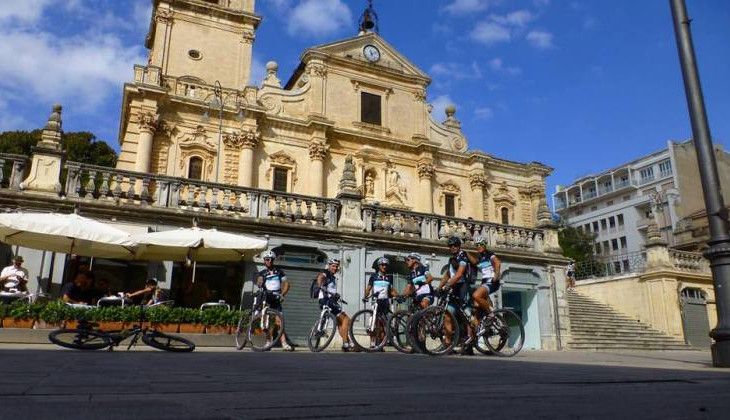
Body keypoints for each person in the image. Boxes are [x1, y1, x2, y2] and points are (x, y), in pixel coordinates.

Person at [438, 236, 474, 354]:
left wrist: (447, 285)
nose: (452, 248)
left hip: (463, 287)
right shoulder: (452, 259)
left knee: (467, 315)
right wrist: (439, 287)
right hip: (454, 288)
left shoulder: (462, 256)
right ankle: (448, 344)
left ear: (459, 246)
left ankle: (469, 343)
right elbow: (448, 275)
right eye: (450, 246)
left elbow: (459, 274)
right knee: (447, 314)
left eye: (455, 245)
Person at [256, 251, 294, 351]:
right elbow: (259, 282)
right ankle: (268, 342)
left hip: (276, 298)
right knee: (265, 322)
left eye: (270, 259)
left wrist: (282, 294)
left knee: (279, 321)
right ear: (264, 261)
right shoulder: (262, 273)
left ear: (273, 260)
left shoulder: (279, 271)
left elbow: (286, 284)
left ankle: (284, 343)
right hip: (266, 298)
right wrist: (260, 282)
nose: (268, 261)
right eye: (266, 259)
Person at [316, 258, 354, 352]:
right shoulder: (326, 272)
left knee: (343, 321)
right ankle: (346, 343)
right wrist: (320, 286)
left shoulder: (333, 277)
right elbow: (320, 277)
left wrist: (338, 298)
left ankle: (346, 344)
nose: (335, 268)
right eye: (333, 266)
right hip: (326, 299)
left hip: (331, 301)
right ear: (329, 266)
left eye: (337, 266)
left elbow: (331, 289)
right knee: (345, 319)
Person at [468, 238, 502, 320]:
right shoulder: (480, 257)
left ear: (485, 245)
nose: (479, 246)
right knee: (476, 305)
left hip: (491, 281)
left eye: (481, 244)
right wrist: (466, 254)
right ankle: (491, 323)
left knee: (476, 295)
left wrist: (496, 275)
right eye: (477, 245)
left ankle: (491, 312)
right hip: (484, 282)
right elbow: (475, 263)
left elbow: (498, 262)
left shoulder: (489, 254)